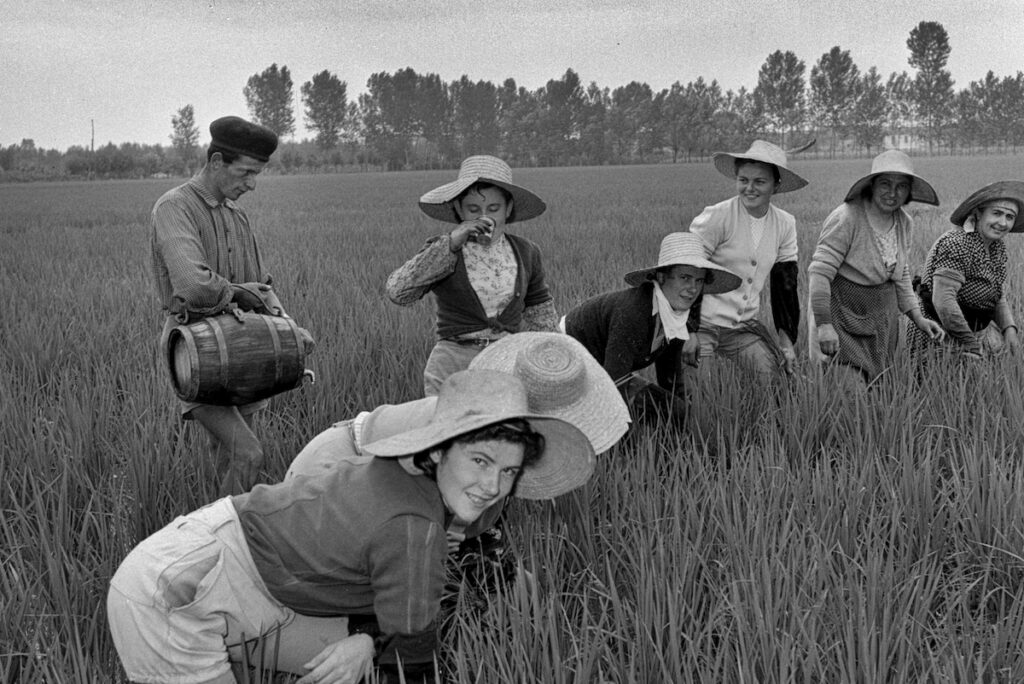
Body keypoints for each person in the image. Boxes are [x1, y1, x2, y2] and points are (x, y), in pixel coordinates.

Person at [107, 370, 594, 684]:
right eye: (481, 461)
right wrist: (386, 647)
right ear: (440, 448)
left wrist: (367, 641)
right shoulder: (413, 524)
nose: (493, 485)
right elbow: (414, 661)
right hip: (178, 590)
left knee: (353, 665)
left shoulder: (406, 474)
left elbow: (382, 585)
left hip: (249, 576)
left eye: (508, 472)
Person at [286, 332, 629, 579]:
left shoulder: (502, 454)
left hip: (406, 506)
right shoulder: (458, 433)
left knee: (518, 590)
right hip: (342, 473)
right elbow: (404, 528)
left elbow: (475, 523)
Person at [151, 115, 304, 496]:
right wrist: (239, 293)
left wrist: (290, 329)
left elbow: (263, 287)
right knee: (248, 453)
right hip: (195, 349)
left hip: (244, 345)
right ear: (217, 161)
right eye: (245, 173)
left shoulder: (237, 215)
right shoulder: (175, 208)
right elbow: (194, 287)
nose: (251, 185)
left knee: (225, 455)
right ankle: (227, 535)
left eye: (257, 175)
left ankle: (213, 530)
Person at [386, 155, 559, 397]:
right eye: (473, 209)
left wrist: (557, 357)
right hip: (452, 364)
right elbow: (398, 291)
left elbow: (541, 314)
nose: (484, 217)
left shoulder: (526, 251)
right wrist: (451, 243)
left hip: (505, 363)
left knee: (504, 432)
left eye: (494, 208)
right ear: (458, 208)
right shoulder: (445, 249)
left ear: (508, 208)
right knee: (451, 433)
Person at [562, 232, 741, 417]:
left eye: (699, 280)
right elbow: (613, 386)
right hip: (566, 360)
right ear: (662, 277)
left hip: (602, 369)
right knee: (620, 420)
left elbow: (670, 378)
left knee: (675, 411)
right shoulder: (633, 312)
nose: (693, 289)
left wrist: (686, 417)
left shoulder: (676, 320)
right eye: (685, 278)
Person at [807, 150, 945, 386]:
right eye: (885, 184)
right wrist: (824, 325)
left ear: (909, 191)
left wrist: (918, 317)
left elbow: (900, 275)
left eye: (901, 186)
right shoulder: (847, 217)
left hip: (881, 322)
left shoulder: (904, 223)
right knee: (850, 395)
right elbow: (819, 273)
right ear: (871, 185)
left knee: (878, 390)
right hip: (843, 317)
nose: (892, 193)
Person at [688, 140, 808, 377]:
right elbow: (686, 271)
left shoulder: (785, 224)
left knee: (774, 381)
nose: (750, 188)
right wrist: (687, 330)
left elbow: (785, 286)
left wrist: (786, 344)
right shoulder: (717, 216)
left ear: (776, 185)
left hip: (743, 328)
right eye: (743, 180)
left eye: (760, 182)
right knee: (699, 394)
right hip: (703, 324)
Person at [908, 180, 1024, 360]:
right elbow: (944, 302)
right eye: (996, 213)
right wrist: (970, 344)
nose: (1002, 223)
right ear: (978, 214)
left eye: (1009, 217)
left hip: (974, 326)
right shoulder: (957, 243)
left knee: (1000, 367)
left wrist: (1009, 329)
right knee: (954, 378)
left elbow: (996, 294)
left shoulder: (996, 248)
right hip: (938, 330)